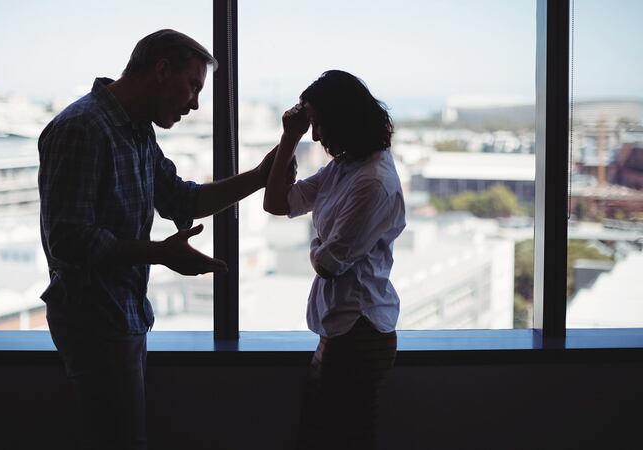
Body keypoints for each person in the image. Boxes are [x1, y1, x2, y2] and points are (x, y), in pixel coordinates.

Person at [38, 29, 292, 450]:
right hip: (93, 319)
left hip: (120, 314)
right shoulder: (81, 128)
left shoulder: (135, 130)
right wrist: (159, 254)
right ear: (161, 70)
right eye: (192, 86)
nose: (194, 103)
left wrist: (259, 178)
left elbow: (180, 199)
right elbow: (68, 239)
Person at [263, 70, 406, 450]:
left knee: (338, 436)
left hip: (359, 331)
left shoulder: (371, 181)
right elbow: (276, 202)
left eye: (317, 123)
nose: (315, 135)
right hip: (342, 329)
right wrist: (288, 138)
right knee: (327, 434)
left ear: (341, 120)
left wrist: (315, 246)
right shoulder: (345, 167)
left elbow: (329, 263)